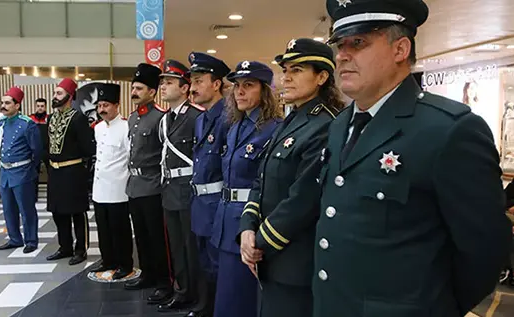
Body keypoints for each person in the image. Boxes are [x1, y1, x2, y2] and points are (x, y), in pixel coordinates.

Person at [312, 1, 513, 316]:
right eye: (340, 45)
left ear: (400, 49)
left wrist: (432, 307)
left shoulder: (448, 130)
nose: (342, 55)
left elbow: (484, 250)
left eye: (359, 42)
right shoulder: (340, 126)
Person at [238, 38, 343, 317]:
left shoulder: (327, 125)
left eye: (297, 70)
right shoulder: (292, 120)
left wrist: (259, 244)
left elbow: (302, 200)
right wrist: (247, 228)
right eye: (285, 70)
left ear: (321, 77)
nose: (286, 78)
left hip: (296, 261)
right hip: (271, 257)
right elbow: (261, 179)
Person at [211, 61, 282, 317]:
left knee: (240, 300)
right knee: (227, 296)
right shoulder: (235, 126)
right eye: (237, 86)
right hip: (225, 220)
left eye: (248, 85)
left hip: (248, 224)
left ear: (264, 91)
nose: (239, 91)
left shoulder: (273, 129)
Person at [155, 60, 204, 311]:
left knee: (190, 245)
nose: (163, 86)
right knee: (175, 244)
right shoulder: (165, 120)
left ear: (185, 88)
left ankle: (195, 293)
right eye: (162, 82)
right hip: (169, 188)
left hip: (188, 188)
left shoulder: (196, 116)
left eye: (170, 82)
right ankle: (181, 289)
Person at [187, 51, 231, 317]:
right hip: (200, 204)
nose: (193, 87)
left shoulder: (228, 117)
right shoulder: (202, 119)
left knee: (218, 266)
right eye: (192, 81)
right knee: (203, 263)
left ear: (216, 84)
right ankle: (205, 308)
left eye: (199, 80)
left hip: (218, 205)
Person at [123, 63, 171, 292]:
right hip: (134, 185)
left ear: (152, 92)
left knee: (156, 238)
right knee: (140, 236)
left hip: (153, 186)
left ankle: (163, 280)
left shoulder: (161, 118)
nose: (134, 92)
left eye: (139, 88)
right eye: (133, 88)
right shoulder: (132, 118)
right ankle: (147, 274)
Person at [46, 78, 95, 266]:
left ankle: (80, 249)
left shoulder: (78, 117)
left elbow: (87, 148)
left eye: (59, 93)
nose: (55, 97)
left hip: (73, 171)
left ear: (69, 96)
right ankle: (64, 246)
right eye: (55, 93)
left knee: (76, 212)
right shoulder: (51, 118)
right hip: (55, 172)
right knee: (58, 212)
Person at [89, 83, 134, 280]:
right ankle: (108, 260)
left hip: (118, 188)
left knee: (120, 229)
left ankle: (125, 264)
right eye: (99, 106)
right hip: (99, 187)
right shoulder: (98, 128)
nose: (102, 110)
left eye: (106, 105)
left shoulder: (126, 127)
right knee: (103, 228)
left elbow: (130, 157)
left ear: (117, 105)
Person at [0, 87, 42, 253]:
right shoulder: (1, 123)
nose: (3, 105)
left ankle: (31, 240)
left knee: (26, 208)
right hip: (5, 172)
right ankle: (15, 238)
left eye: (7, 103)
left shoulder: (27, 124)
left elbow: (36, 150)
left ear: (17, 105)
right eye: (2, 102)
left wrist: (30, 168)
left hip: (22, 171)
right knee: (8, 208)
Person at [29, 98, 49, 201]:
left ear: (45, 107)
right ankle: (34, 196)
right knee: (34, 174)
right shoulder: (30, 119)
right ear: (35, 106)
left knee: (51, 173)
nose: (40, 108)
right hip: (35, 150)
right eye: (38, 106)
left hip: (47, 150)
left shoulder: (49, 119)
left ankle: (52, 195)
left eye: (42, 106)